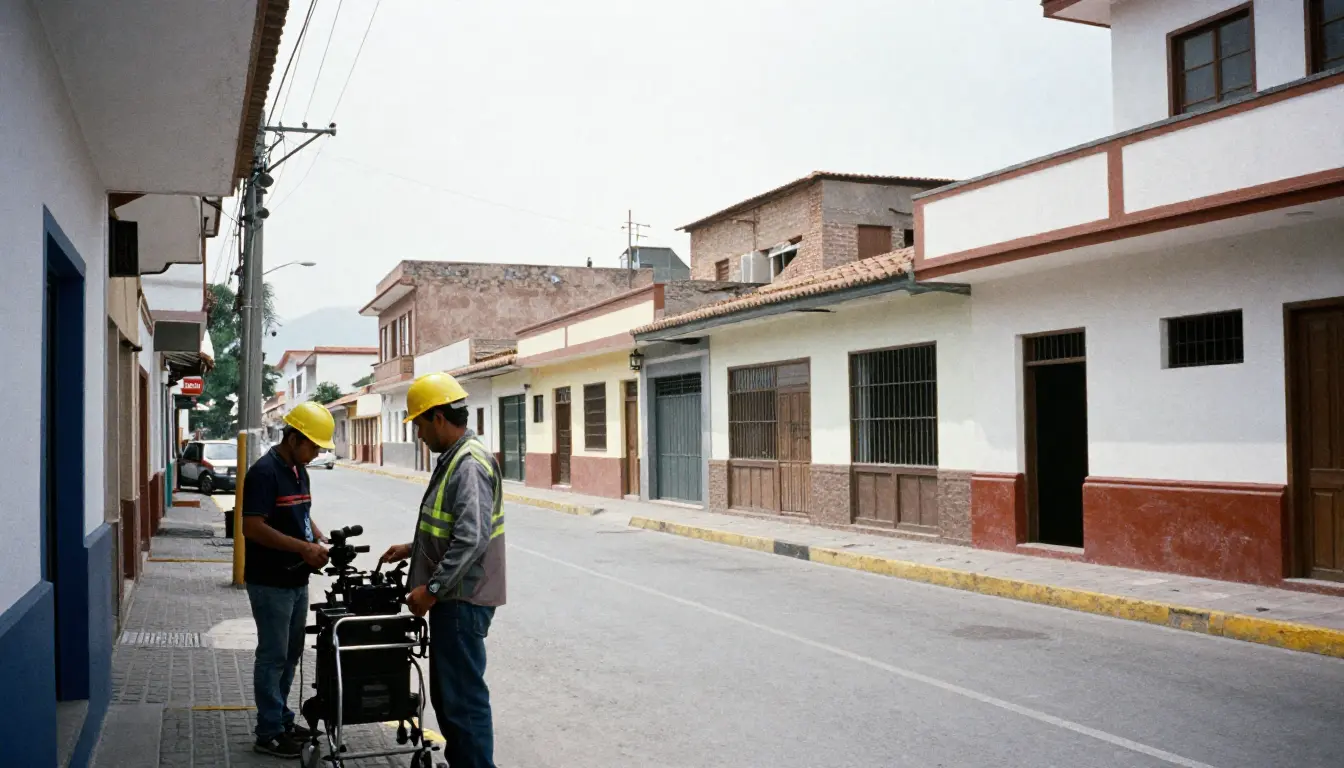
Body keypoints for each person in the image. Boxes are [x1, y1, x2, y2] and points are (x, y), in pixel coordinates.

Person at [380, 372, 506, 768]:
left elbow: (470, 538)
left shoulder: (468, 464)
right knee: (451, 697)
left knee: (462, 701)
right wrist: (412, 548)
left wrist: (431, 589)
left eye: (419, 424)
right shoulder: (455, 458)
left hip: (461, 599)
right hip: (457, 596)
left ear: (437, 417)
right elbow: (451, 526)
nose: (418, 434)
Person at [242, 401, 334, 758]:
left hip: (296, 580)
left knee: (291, 653)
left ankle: (280, 718)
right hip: (270, 582)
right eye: (313, 446)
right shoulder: (263, 473)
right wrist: (303, 547)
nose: (317, 453)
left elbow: (301, 513)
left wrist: (318, 537)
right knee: (273, 655)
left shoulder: (299, 470)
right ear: (294, 439)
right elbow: (252, 527)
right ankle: (268, 733)